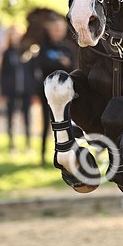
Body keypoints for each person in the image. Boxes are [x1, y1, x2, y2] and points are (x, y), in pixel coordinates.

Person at [37, 15, 77, 164]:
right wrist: (61, 62)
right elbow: (42, 64)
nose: (58, 32)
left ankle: (68, 154)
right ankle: (42, 155)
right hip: (47, 93)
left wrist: (61, 63)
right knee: (46, 123)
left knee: (67, 124)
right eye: (55, 29)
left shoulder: (68, 48)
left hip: (65, 94)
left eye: (60, 29)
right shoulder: (44, 47)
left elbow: (72, 67)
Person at [0, 26, 41, 152]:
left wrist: (34, 90)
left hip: (26, 90)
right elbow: (3, 73)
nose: (15, 37)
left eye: (16, 34)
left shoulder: (28, 51)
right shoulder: (7, 53)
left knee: (27, 118)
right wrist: (3, 91)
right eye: (12, 34)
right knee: (11, 118)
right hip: (12, 90)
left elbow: (34, 72)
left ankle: (28, 145)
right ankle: (12, 145)